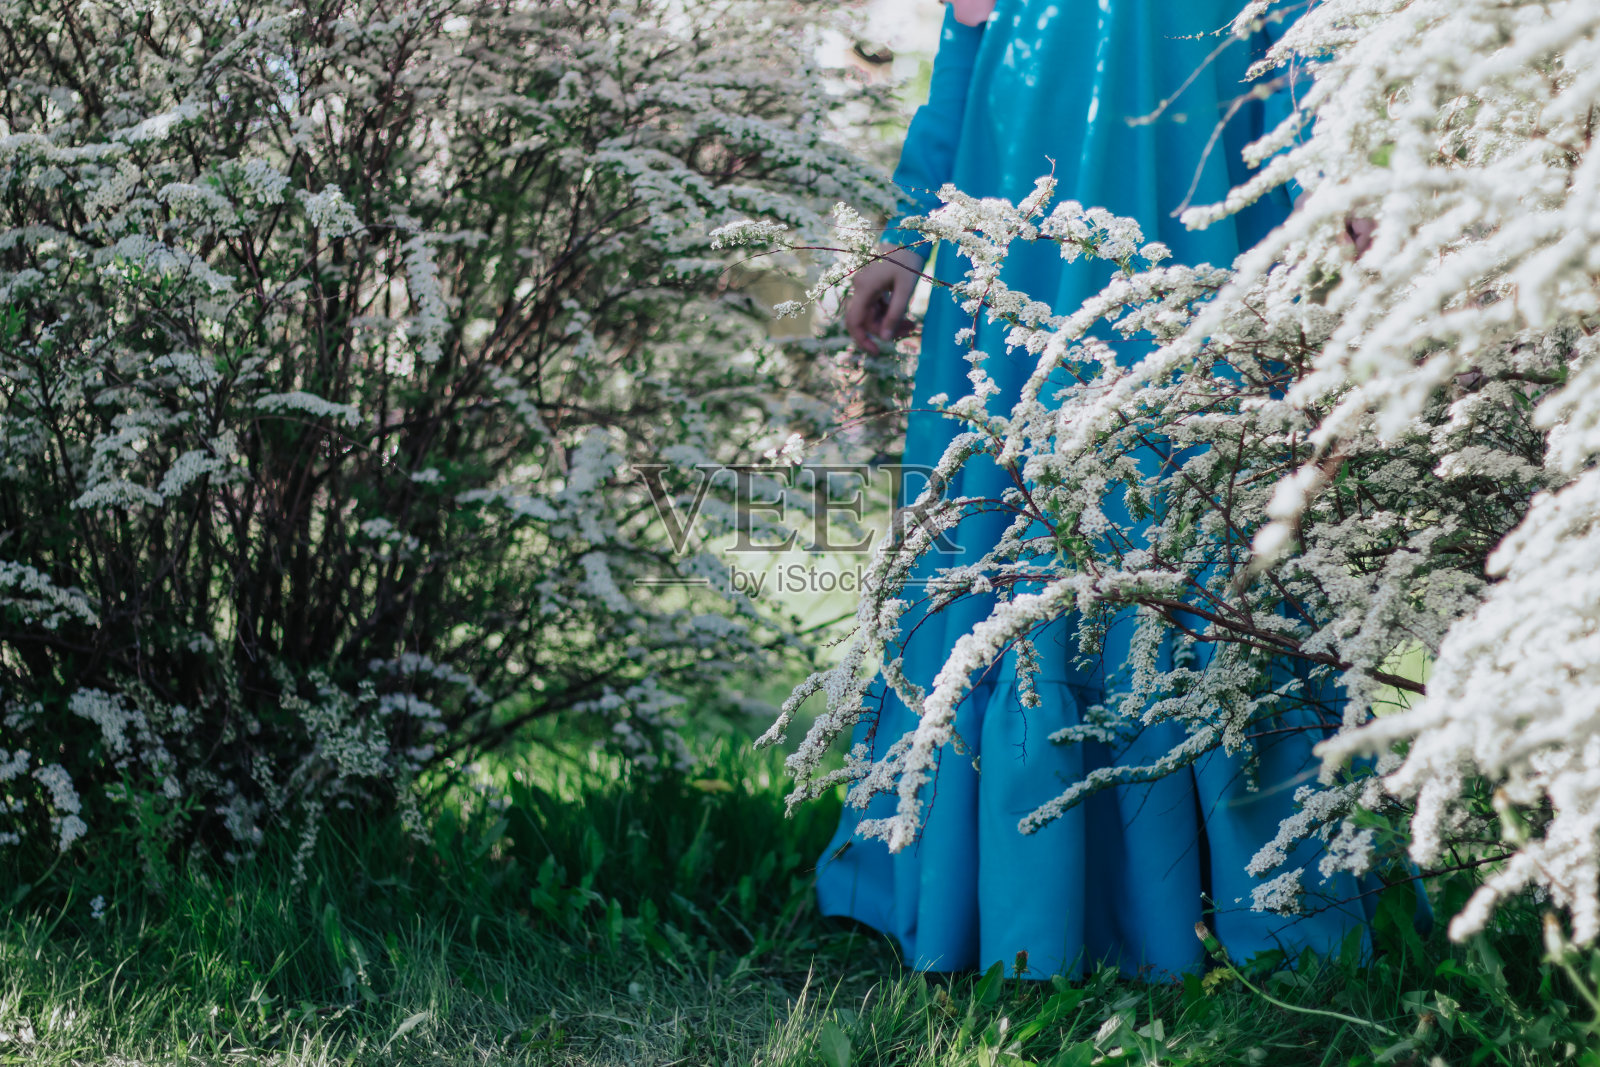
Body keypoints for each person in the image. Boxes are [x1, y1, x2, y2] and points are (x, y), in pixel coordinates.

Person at [821, 0, 1364, 979]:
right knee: (1025, 468)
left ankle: (1262, 881)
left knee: (1197, 464)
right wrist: (908, 229)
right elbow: (968, 25)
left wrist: (1336, 168)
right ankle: (1017, 887)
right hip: (1030, 148)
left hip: (1207, 140)